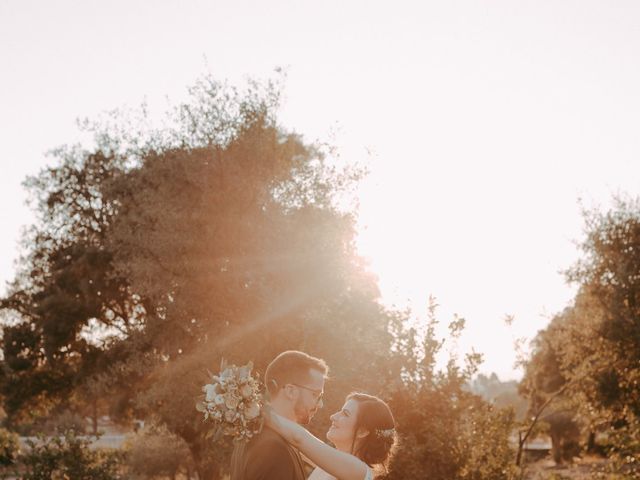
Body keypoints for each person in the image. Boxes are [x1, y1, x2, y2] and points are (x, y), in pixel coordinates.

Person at [230, 350, 329, 480]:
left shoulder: (253, 436)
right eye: (315, 395)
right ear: (290, 391)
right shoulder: (273, 448)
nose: (320, 404)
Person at [265, 392, 397, 480]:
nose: (333, 416)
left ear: (363, 431)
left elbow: (298, 438)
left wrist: (258, 411)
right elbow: (292, 443)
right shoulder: (332, 462)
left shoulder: (358, 471)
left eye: (345, 414)